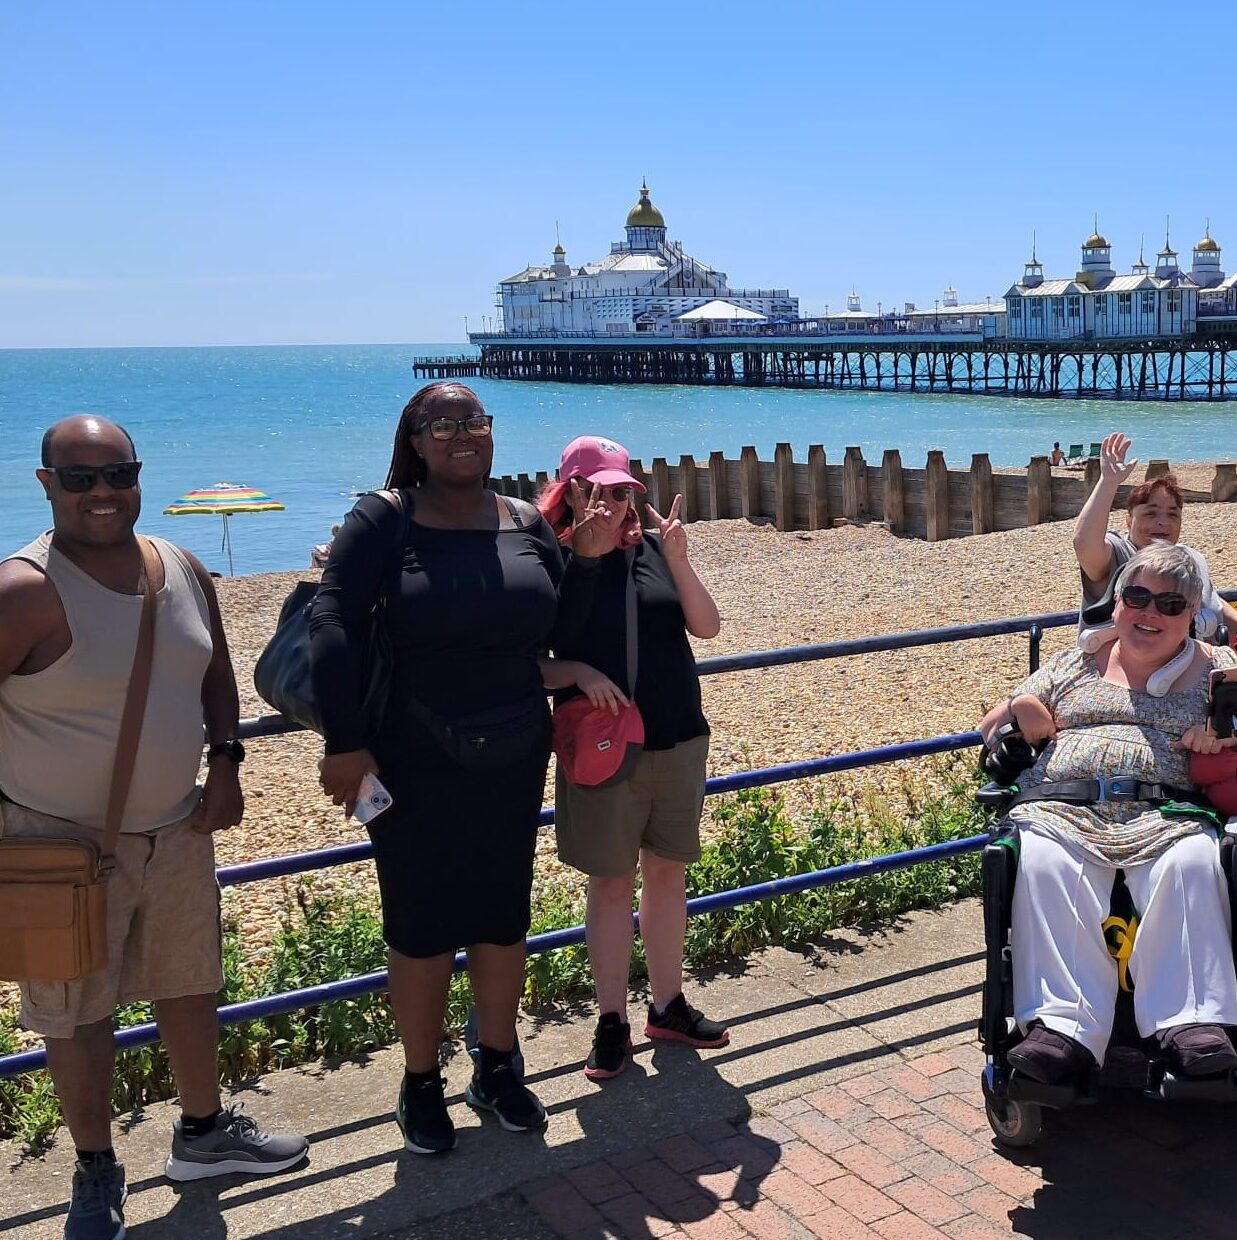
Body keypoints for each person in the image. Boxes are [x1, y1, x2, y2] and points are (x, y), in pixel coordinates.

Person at [0, 415, 307, 1240]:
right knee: (76, 1013)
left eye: (118, 473)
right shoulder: (23, 590)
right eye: (80, 478)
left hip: (176, 828)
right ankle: (96, 1168)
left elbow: (213, 671)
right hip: (56, 846)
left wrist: (230, 763)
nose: (103, 493)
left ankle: (203, 1134)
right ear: (45, 485)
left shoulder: (181, 565)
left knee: (188, 982)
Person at [310, 383, 615, 1154]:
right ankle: (419, 1081)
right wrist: (344, 741)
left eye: (473, 422)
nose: (459, 435)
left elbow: (554, 628)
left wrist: (590, 561)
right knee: (418, 928)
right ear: (413, 438)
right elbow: (333, 622)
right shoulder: (385, 518)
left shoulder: (519, 520)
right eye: (439, 424)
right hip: (411, 755)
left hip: (512, 750)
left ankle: (498, 1064)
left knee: (501, 917)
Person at [979, 543, 1237, 1085]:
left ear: (1193, 614)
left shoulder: (1219, 669)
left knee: (1191, 862)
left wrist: (1222, 738)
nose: (1150, 613)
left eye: (1170, 605)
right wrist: (1024, 708)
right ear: (1116, 602)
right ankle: (1065, 1030)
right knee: (1047, 864)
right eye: (1137, 597)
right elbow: (995, 721)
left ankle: (1191, 1023)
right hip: (1063, 805)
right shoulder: (1075, 662)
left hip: (1165, 809)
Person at [539, 435, 728, 1082]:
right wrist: (580, 670)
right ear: (572, 493)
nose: (617, 503)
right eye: (602, 491)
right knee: (611, 883)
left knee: (667, 874)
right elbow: (526, 663)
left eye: (625, 491)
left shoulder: (650, 548)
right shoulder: (547, 563)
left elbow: (706, 627)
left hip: (677, 734)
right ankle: (611, 1020)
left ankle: (666, 1005)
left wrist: (677, 557)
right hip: (600, 746)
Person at [1072, 431, 1237, 633]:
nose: (1162, 522)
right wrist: (1108, 481)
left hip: (1199, 660)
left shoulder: (1191, 559)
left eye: (1172, 515)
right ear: (1129, 519)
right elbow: (1084, 543)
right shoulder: (1120, 554)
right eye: (1151, 514)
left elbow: (1214, 603)